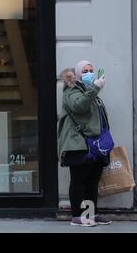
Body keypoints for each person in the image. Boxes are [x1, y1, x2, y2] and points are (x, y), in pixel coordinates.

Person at [58, 60, 112, 227]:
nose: (89, 73)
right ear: (78, 74)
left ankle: (91, 214)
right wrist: (95, 88)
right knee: (79, 180)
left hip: (93, 144)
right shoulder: (72, 90)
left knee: (92, 180)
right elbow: (79, 106)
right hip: (77, 143)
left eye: (91, 70)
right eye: (85, 71)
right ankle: (77, 217)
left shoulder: (90, 91)